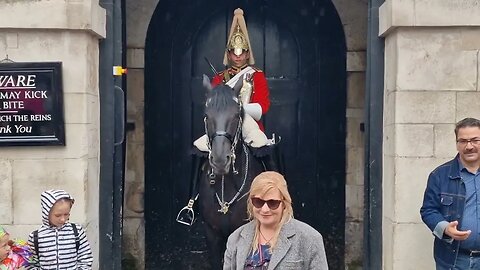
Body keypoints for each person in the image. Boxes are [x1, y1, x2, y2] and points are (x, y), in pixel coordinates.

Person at [177, 8, 280, 226]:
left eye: (242, 51)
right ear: (229, 53)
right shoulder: (219, 78)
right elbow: (211, 104)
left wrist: (240, 108)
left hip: (247, 120)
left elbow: (263, 106)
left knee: (263, 144)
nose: (238, 55)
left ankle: (278, 196)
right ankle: (191, 203)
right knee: (198, 148)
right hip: (224, 123)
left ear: (247, 53)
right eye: (234, 51)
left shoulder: (256, 76)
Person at [223, 171, 328, 269]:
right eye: (258, 202)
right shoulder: (236, 238)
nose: (265, 209)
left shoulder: (310, 238)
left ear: (284, 203)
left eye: (272, 203)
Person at [420, 117, 480, 269]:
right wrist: (445, 228)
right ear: (457, 144)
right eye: (463, 141)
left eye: (475, 140)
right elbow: (428, 210)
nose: (469, 146)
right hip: (454, 260)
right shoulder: (439, 175)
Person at [27, 189, 93, 270]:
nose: (63, 219)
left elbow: (86, 258)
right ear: (46, 213)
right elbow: (31, 264)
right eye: (58, 215)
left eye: (66, 214)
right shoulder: (35, 237)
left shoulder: (77, 231)